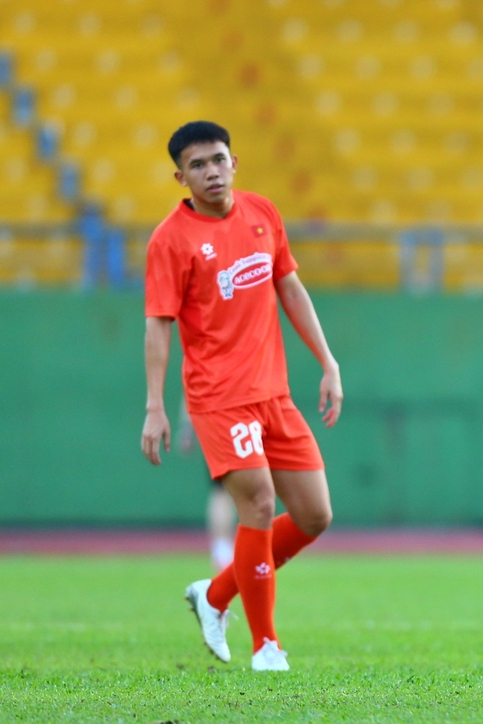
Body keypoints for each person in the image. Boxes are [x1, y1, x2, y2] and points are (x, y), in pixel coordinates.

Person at [141, 121, 342, 672]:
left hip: (274, 394)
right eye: (198, 165)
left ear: (235, 162)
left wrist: (327, 362)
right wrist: (156, 406)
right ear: (181, 177)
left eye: (219, 159)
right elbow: (158, 325)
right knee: (257, 503)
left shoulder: (263, 214)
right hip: (218, 397)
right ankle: (267, 646)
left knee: (314, 516)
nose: (211, 171)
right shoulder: (170, 240)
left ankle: (214, 596)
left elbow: (290, 287)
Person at [176, 393, 237, 573]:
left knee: (224, 491)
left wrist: (187, 429)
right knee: (224, 491)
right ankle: (223, 548)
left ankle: (223, 548)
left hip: (218, 422)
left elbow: (191, 390)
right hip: (230, 421)